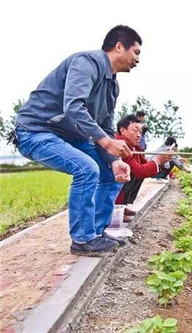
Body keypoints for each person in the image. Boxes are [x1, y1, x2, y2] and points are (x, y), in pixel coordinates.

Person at [13, 25, 142, 256]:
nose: (138, 59)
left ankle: (96, 232)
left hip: (71, 135)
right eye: (136, 52)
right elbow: (73, 107)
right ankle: (82, 240)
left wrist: (113, 159)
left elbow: (106, 127)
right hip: (36, 131)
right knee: (86, 168)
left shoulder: (112, 86)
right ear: (120, 47)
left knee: (113, 171)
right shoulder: (87, 62)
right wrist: (106, 142)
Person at [115, 115, 171, 208]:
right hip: (114, 184)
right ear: (123, 131)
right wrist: (158, 160)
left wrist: (161, 161)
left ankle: (124, 206)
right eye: (135, 131)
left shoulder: (135, 147)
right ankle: (118, 206)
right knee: (131, 173)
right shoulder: (121, 146)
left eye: (140, 132)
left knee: (138, 174)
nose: (138, 135)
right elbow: (139, 171)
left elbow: (144, 165)